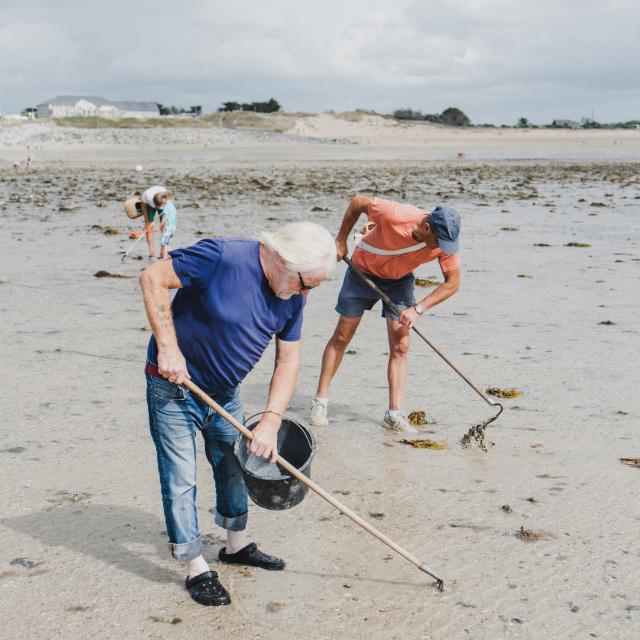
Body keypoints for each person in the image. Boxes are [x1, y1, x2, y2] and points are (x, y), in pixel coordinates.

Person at [139, 222, 335, 607]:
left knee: (233, 466)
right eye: (304, 283)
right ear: (281, 259)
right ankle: (196, 566)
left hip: (225, 393)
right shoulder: (222, 256)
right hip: (173, 388)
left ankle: (236, 545)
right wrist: (168, 348)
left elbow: (289, 359)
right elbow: (152, 277)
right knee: (180, 477)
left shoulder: (293, 295)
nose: (306, 293)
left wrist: (271, 419)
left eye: (313, 286)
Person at [309, 195, 461, 434]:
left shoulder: (445, 243)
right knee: (342, 336)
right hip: (362, 273)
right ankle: (320, 401)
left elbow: (453, 283)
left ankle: (394, 413)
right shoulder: (397, 214)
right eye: (439, 240)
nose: (442, 247)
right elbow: (358, 202)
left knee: (401, 344)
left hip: (399, 282)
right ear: (427, 226)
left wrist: (418, 309)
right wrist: (341, 240)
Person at [140, 185, 173, 258]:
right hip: (150, 205)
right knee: (148, 227)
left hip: (163, 206)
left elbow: (167, 214)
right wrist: (147, 221)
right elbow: (143, 207)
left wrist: (161, 225)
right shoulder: (146, 196)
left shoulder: (166, 198)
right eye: (157, 206)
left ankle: (162, 251)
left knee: (165, 227)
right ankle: (152, 252)